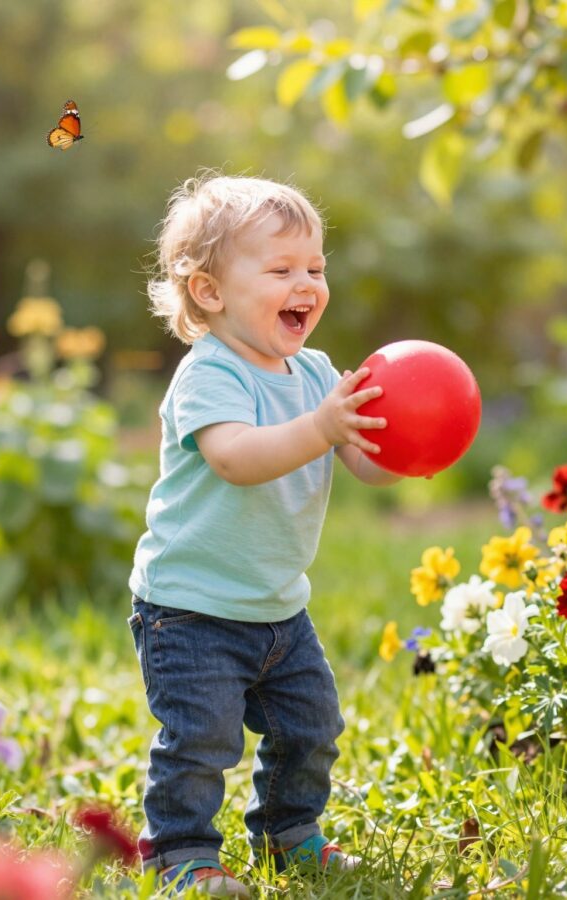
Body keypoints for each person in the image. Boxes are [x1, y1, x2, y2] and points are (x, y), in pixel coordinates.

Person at [128, 173, 401, 897]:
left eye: (315, 267)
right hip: (190, 609)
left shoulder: (315, 373)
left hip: (279, 606)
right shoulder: (208, 375)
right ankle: (183, 853)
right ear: (210, 292)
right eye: (280, 269)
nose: (306, 282)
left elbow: (361, 461)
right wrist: (321, 426)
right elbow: (236, 458)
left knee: (311, 728)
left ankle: (288, 834)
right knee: (200, 741)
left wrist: (405, 448)